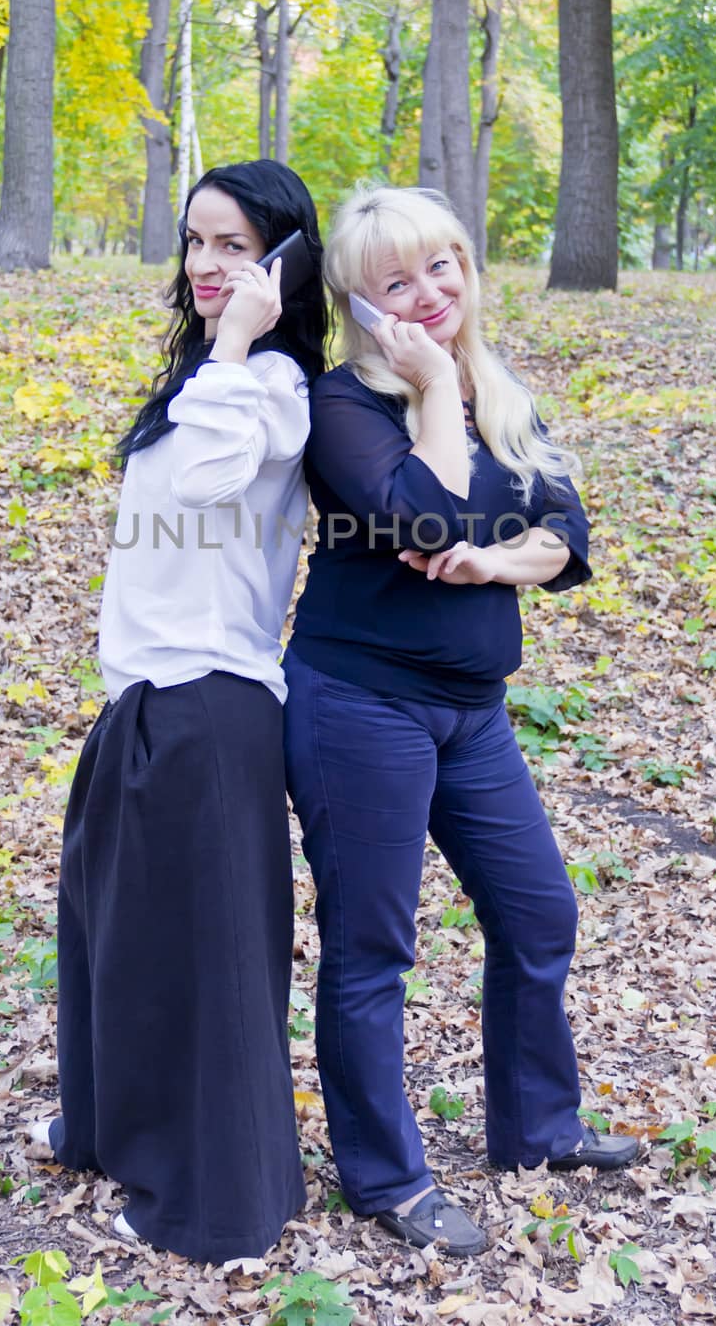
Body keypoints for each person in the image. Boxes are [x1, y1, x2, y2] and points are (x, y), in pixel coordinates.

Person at [283, 186, 640, 1258]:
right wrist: (433, 386)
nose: (429, 292)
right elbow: (423, 511)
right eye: (396, 281)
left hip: (471, 715)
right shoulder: (341, 406)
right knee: (370, 944)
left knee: (537, 914)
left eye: (442, 265)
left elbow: (565, 534)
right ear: (358, 302)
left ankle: (536, 1127)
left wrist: (493, 560)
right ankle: (385, 1178)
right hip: (360, 706)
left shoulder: (501, 390)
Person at [34, 160, 328, 1264]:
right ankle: (115, 1132)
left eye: (236, 247)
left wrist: (241, 343)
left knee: (204, 966)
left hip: (212, 705)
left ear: (282, 265)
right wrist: (218, 351)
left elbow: (207, 485)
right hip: (148, 693)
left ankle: (219, 1208)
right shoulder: (207, 376)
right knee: (124, 942)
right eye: (196, 242)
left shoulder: (270, 387)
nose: (208, 265)